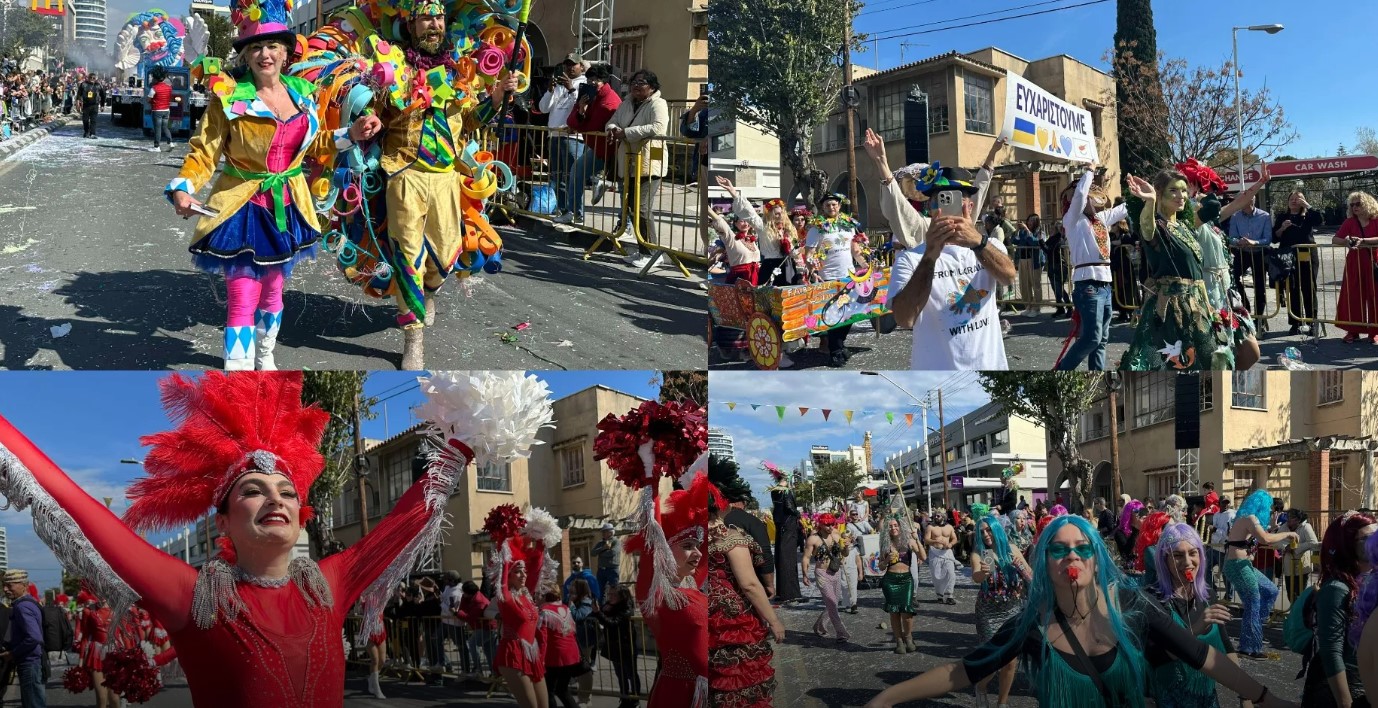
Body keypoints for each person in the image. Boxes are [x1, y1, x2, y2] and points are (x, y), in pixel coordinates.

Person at [0, 370, 548, 707]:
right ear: (224, 522)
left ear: (300, 515)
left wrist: (465, 442)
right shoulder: (193, 596)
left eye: (287, 491)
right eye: (254, 491)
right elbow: (77, 505)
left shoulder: (328, 584)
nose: (276, 500)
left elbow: (403, 519)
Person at [864, 515, 1299, 708]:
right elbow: (965, 672)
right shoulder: (1031, 625)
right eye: (1059, 548)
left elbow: (1204, 658)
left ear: (1096, 558)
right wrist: (888, 696)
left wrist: (1264, 697)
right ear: (1045, 561)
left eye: (1081, 547)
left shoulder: (1131, 607)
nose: (1071, 556)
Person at [167, 0, 380, 370]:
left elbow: (315, 145)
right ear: (246, 55)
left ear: (285, 52)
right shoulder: (229, 97)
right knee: (242, 295)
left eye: (272, 47)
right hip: (242, 207)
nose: (264, 54)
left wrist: (353, 133)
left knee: (273, 292)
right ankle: (238, 372)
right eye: (255, 48)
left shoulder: (302, 94)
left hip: (288, 206)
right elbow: (205, 152)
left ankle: (265, 359)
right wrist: (184, 187)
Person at [366, 1, 517, 369]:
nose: (432, 25)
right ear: (411, 24)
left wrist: (496, 98)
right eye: (425, 18)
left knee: (446, 256)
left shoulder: (456, 70)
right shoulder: (394, 65)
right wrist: (371, 111)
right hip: (405, 174)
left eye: (437, 18)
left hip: (446, 177)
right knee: (407, 257)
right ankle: (413, 337)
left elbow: (466, 122)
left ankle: (427, 291)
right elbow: (373, 110)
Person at [865, 128, 1015, 369]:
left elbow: (1009, 277)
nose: (949, 207)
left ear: (969, 205)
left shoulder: (987, 245)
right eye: (940, 199)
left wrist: (993, 154)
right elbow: (904, 319)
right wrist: (930, 256)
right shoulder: (912, 255)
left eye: (957, 198)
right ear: (931, 206)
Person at [1119, 167, 1269, 370]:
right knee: (1193, 365)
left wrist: (1260, 183)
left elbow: (1230, 205)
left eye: (1183, 190)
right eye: (1173, 190)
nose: (1181, 196)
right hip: (1175, 309)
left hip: (1203, 302)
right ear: (1160, 194)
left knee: (1224, 359)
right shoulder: (1158, 228)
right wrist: (1151, 201)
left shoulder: (1185, 225)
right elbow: (1147, 228)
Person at [1148, 523, 1250, 708]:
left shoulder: (1207, 594)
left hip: (1206, 697)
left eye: (1193, 553)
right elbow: (1155, 658)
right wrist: (1196, 629)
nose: (1187, 562)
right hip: (1168, 699)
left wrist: (1246, 695)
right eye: (1177, 555)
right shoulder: (1152, 599)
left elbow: (1226, 646)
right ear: (1165, 560)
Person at [708, 489, 783, 707]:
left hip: (703, 611)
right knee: (739, 680)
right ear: (721, 505)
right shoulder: (730, 537)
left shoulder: (694, 536)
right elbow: (749, 584)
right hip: (731, 619)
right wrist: (774, 620)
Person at [481, 505, 557, 708]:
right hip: (512, 653)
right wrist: (503, 542)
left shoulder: (527, 595)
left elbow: (537, 565)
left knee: (544, 706)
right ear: (510, 575)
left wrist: (539, 535)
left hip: (532, 653)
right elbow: (503, 578)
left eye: (524, 571)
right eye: (518, 572)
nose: (523, 575)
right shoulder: (505, 597)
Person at [1302, 512, 1376, 708]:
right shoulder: (1337, 589)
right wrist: (1345, 703)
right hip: (1340, 689)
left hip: (1366, 683)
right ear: (1347, 545)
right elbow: (1331, 651)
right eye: (1367, 538)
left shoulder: (1372, 582)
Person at [968, 505, 1033, 708]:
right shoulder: (979, 553)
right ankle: (981, 686)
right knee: (992, 659)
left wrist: (1019, 565)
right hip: (988, 611)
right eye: (982, 532)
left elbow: (1031, 577)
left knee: (1010, 660)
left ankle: (1002, 702)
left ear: (997, 530)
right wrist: (984, 573)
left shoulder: (1012, 550)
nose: (986, 535)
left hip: (1012, 609)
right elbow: (976, 577)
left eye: (988, 530)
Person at [605, 68, 669, 270]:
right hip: (629, 161)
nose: (636, 86)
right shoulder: (626, 103)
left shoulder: (658, 103)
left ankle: (652, 252)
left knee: (642, 208)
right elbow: (612, 122)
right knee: (631, 208)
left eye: (641, 83)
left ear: (652, 87)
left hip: (650, 163)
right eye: (634, 82)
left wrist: (627, 133)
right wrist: (613, 129)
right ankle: (643, 250)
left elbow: (658, 127)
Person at [1223, 490, 1299, 658]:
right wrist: (1288, 533)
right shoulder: (1250, 518)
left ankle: (1253, 632)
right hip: (1238, 565)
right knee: (1253, 602)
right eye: (1269, 505)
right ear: (1263, 505)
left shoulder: (1246, 518)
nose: (1271, 509)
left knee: (1270, 591)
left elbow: (1261, 536)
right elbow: (1265, 539)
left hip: (1241, 565)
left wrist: (1272, 527)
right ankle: (1250, 647)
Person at [802, 191, 864, 366]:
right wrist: (812, 271)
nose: (831, 207)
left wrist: (866, 265)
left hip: (848, 275)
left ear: (839, 206)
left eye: (834, 204)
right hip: (828, 277)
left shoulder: (848, 225)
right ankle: (835, 351)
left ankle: (839, 345)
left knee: (850, 314)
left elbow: (855, 250)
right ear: (823, 207)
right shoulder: (816, 229)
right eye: (828, 205)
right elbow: (809, 254)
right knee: (834, 315)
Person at [559, 63, 621, 226]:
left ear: (605, 81)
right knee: (576, 172)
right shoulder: (588, 95)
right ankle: (574, 213)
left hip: (614, 149)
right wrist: (580, 110)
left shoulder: (609, 101)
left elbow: (592, 126)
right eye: (590, 79)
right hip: (597, 147)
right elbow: (571, 120)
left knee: (625, 190)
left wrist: (579, 118)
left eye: (597, 80)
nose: (593, 82)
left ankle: (625, 225)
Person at [539, 55, 587, 221]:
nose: (569, 68)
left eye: (573, 65)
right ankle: (563, 210)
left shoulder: (585, 84)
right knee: (558, 176)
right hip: (554, 135)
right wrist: (550, 90)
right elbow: (544, 108)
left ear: (581, 66)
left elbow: (583, 109)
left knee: (573, 176)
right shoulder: (559, 85)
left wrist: (571, 89)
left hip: (572, 137)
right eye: (567, 65)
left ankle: (577, 213)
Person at [877, 497, 924, 653]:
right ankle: (899, 642)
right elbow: (880, 566)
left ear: (900, 526)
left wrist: (918, 540)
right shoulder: (885, 544)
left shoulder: (909, 541)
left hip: (906, 579)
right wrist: (886, 560)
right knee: (894, 612)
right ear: (887, 529)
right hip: (890, 580)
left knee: (907, 612)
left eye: (896, 525)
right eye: (890, 526)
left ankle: (908, 637)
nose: (893, 528)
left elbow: (923, 557)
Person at [1273, 190, 1324, 335]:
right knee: (1292, 289)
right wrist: (1282, 228)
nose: (1294, 201)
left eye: (1298, 199)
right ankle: (1295, 322)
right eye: (1292, 199)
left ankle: (1312, 321)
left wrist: (1308, 205)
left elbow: (1319, 220)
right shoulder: (1282, 216)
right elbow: (1274, 237)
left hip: (1307, 255)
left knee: (1309, 288)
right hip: (1288, 256)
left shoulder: (1308, 215)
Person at [1332, 191, 1378, 344]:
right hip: (1354, 263)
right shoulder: (1350, 222)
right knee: (1353, 297)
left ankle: (1374, 332)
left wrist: (1363, 240)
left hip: (1374, 262)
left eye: (1358, 203)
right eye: (1352, 204)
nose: (1355, 207)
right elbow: (1335, 239)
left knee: (1375, 297)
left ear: (1367, 203)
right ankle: (1353, 331)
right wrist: (1347, 241)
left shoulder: (1376, 220)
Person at [1227, 192, 1274, 328]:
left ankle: (1259, 318)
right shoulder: (1235, 216)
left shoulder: (1264, 216)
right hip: (1242, 253)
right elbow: (1232, 237)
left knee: (1259, 286)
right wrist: (1239, 241)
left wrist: (1254, 242)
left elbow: (1268, 238)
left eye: (1241, 200)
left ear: (1251, 200)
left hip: (1259, 253)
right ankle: (1246, 309)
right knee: (1233, 279)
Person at [803, 513, 850, 643]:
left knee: (833, 602)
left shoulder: (836, 535)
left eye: (832, 524)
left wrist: (846, 546)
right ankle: (841, 633)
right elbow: (806, 558)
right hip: (821, 573)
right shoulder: (813, 539)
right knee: (832, 603)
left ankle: (819, 626)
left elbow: (845, 553)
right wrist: (805, 575)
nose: (830, 527)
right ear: (821, 524)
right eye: (827, 524)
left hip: (835, 572)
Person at [2, 570, 45, 708]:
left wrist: (12, 653)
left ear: (24, 585)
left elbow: (34, 637)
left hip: (29, 663)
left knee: (33, 704)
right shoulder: (30, 602)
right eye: (4, 585)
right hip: (33, 662)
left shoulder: (22, 606)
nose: (5, 589)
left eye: (10, 585)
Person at [538, 584, 586, 708]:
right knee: (562, 689)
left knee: (549, 691)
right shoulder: (565, 607)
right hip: (571, 655)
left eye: (539, 594)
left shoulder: (544, 612)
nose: (537, 597)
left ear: (545, 596)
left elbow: (543, 640)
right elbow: (573, 630)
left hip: (555, 657)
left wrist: (540, 660)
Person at [595, 585, 639, 708]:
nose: (610, 597)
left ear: (622, 596)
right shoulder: (609, 606)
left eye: (613, 594)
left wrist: (599, 613)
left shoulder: (626, 608)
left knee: (631, 674)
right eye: (609, 594)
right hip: (614, 646)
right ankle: (624, 698)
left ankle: (635, 699)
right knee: (620, 675)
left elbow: (613, 623)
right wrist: (600, 610)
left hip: (626, 646)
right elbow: (597, 615)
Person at [770, 480, 803, 605]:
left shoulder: (774, 492)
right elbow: (789, 507)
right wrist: (797, 513)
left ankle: (782, 592)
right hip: (788, 527)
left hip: (781, 526)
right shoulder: (785, 492)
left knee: (781, 558)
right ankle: (790, 594)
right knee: (788, 559)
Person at [567, 578, 598, 704]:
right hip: (576, 639)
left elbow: (578, 617)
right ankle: (583, 698)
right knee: (579, 670)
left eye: (574, 592)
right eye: (570, 592)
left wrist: (572, 606)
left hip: (584, 640)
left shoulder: (586, 602)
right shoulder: (577, 601)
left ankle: (585, 699)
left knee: (584, 669)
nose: (571, 595)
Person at [457, 581, 497, 679]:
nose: (463, 594)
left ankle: (478, 669)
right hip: (483, 627)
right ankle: (494, 674)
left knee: (472, 643)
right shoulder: (470, 598)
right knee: (489, 651)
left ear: (469, 593)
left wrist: (457, 613)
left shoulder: (480, 602)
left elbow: (469, 617)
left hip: (487, 628)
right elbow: (463, 609)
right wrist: (463, 600)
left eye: (464, 593)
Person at [1279, 509, 1320, 605]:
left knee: (1300, 593)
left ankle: (1300, 615)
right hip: (1289, 564)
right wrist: (1285, 547)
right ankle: (1293, 613)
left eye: (1291, 517)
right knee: (1290, 593)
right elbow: (1277, 540)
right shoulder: (1284, 526)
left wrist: (1296, 547)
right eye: (1287, 517)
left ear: (1298, 519)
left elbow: (1313, 543)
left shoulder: (1306, 527)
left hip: (1302, 565)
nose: (1288, 519)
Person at [1012, 215, 1046, 316]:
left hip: (1034, 261)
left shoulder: (1040, 232)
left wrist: (1027, 231)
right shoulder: (1022, 232)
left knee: (1035, 284)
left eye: (1032, 220)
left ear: (1036, 222)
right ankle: (1028, 306)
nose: (1029, 222)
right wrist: (1017, 231)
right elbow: (1014, 241)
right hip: (1023, 260)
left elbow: (1035, 242)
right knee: (1024, 284)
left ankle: (1036, 308)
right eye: (1028, 220)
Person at [926, 511, 959, 605]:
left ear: (943, 517)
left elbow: (954, 538)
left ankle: (949, 596)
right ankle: (940, 595)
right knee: (937, 575)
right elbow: (926, 540)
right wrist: (934, 540)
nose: (936, 517)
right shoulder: (930, 527)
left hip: (947, 552)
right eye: (935, 516)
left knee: (950, 573)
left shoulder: (949, 527)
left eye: (938, 515)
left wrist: (951, 544)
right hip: (935, 552)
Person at [145, 66, 175, 152]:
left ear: (156, 79)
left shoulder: (154, 88)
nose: (152, 79)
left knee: (157, 129)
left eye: (153, 78)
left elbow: (148, 99)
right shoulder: (169, 87)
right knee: (165, 127)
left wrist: (151, 101)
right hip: (166, 110)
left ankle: (157, 147)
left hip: (157, 110)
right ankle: (171, 143)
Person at [592, 523, 621, 592]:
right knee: (600, 590)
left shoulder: (616, 542)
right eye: (603, 532)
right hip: (601, 570)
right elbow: (593, 553)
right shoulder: (601, 543)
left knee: (614, 589)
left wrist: (600, 553)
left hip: (612, 569)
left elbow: (612, 553)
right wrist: (603, 548)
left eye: (605, 531)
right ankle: (602, 603)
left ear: (610, 532)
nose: (603, 533)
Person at [77, 73, 101, 138]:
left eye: (94, 78)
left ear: (95, 79)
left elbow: (103, 95)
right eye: (91, 78)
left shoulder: (98, 85)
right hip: (86, 105)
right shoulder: (83, 84)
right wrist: (78, 103)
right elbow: (79, 94)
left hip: (94, 105)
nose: (92, 79)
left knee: (93, 120)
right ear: (88, 78)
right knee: (85, 120)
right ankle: (86, 131)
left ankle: (92, 133)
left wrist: (102, 105)